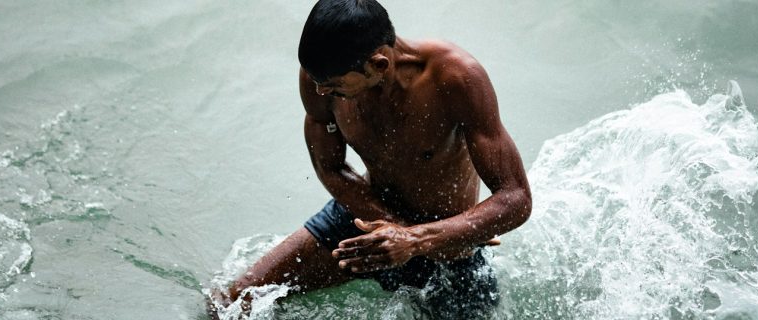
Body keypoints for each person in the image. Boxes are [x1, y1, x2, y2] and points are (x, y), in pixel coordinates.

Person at [209, 0, 531, 318]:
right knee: (232, 302)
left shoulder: (456, 78)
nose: (321, 92)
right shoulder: (319, 78)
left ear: (379, 65)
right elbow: (329, 167)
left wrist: (414, 239)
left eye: (334, 86)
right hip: (363, 218)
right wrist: (392, 228)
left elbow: (515, 197)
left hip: (446, 248)